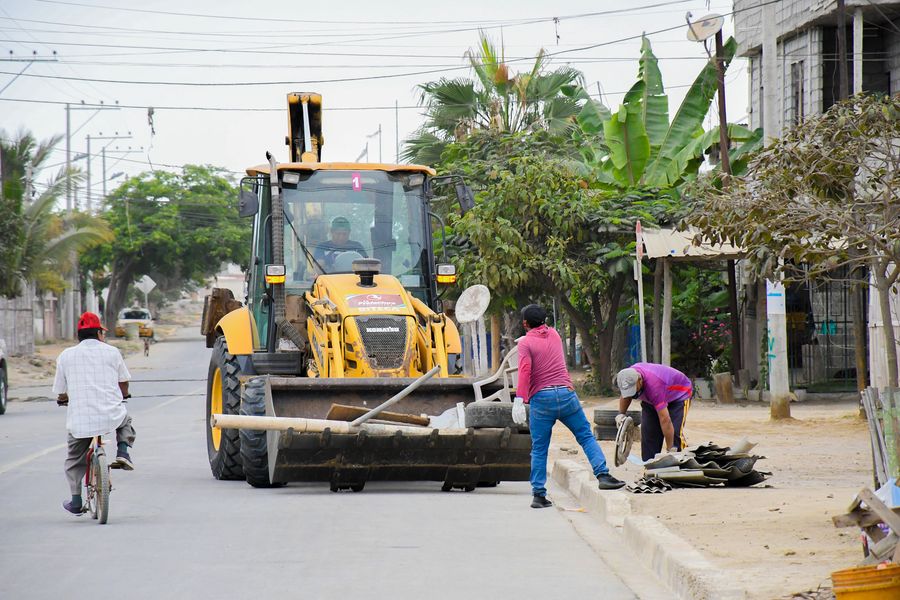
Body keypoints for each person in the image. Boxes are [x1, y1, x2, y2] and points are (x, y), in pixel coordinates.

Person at [512, 304, 625, 509]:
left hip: (542, 399)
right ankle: (603, 475)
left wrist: (520, 399)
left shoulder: (525, 344)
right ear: (544, 321)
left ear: (525, 323)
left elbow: (525, 371)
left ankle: (539, 495)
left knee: (539, 449)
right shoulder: (555, 334)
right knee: (585, 436)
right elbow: (542, 337)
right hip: (566, 395)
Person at [54, 312, 136, 516]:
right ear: (99, 333)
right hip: (110, 414)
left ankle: (76, 500)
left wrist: (63, 399)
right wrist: (124, 395)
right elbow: (123, 381)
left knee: (74, 459)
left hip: (80, 419)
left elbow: (61, 390)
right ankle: (123, 452)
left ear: (79, 335)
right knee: (125, 419)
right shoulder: (112, 352)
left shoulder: (65, 355)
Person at [615, 363, 692, 461]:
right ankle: (649, 466)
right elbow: (626, 396)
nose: (631, 393)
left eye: (633, 390)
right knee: (649, 433)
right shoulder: (627, 377)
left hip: (679, 395)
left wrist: (671, 449)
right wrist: (621, 414)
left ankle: (681, 462)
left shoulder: (654, 385)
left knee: (675, 434)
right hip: (652, 399)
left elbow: (665, 420)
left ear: (640, 380)